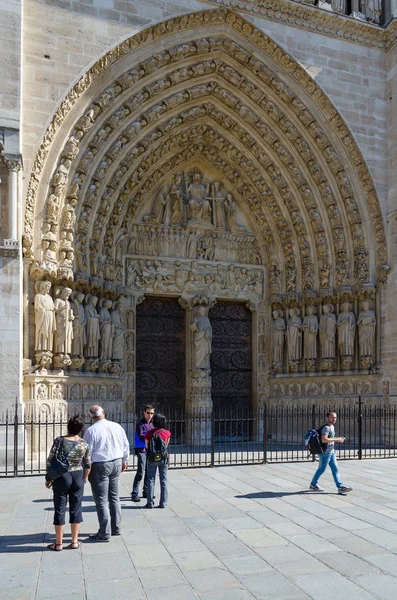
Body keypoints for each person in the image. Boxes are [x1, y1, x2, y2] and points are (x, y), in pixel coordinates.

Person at [45, 415, 91, 551]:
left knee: (60, 508)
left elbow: (50, 460)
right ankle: (75, 541)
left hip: (62, 476)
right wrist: (85, 478)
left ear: (68, 426)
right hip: (77, 475)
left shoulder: (59, 441)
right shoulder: (84, 443)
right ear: (81, 429)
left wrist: (48, 478)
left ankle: (58, 543)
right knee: (76, 508)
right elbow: (88, 464)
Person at [84, 405, 130, 541]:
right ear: (103, 413)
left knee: (101, 500)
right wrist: (125, 460)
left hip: (100, 465)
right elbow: (125, 445)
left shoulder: (90, 431)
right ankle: (116, 528)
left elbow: (88, 453)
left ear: (90, 416)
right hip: (116, 461)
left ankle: (105, 532)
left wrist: (86, 470)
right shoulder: (117, 426)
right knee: (114, 497)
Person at [309, 411, 353, 495]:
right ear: (327, 418)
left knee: (335, 469)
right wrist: (338, 439)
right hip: (325, 452)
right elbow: (324, 439)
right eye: (332, 417)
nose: (334, 419)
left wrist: (336, 440)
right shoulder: (326, 428)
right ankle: (313, 484)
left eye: (335, 417)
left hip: (331, 451)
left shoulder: (332, 426)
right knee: (321, 469)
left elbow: (330, 438)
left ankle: (340, 487)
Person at [144, 413, 171, 509]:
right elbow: (166, 446)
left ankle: (150, 502)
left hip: (152, 457)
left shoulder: (149, 433)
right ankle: (163, 502)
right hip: (163, 458)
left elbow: (147, 446)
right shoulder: (167, 433)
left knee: (150, 480)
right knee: (163, 480)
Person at [131, 405, 155, 502]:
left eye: (152, 413)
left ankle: (146, 491)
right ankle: (134, 493)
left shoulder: (153, 424)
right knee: (140, 471)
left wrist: (149, 435)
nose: (150, 415)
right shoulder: (140, 424)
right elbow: (141, 436)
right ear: (144, 413)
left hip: (150, 449)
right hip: (142, 450)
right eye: (148, 413)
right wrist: (152, 435)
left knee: (149, 471)